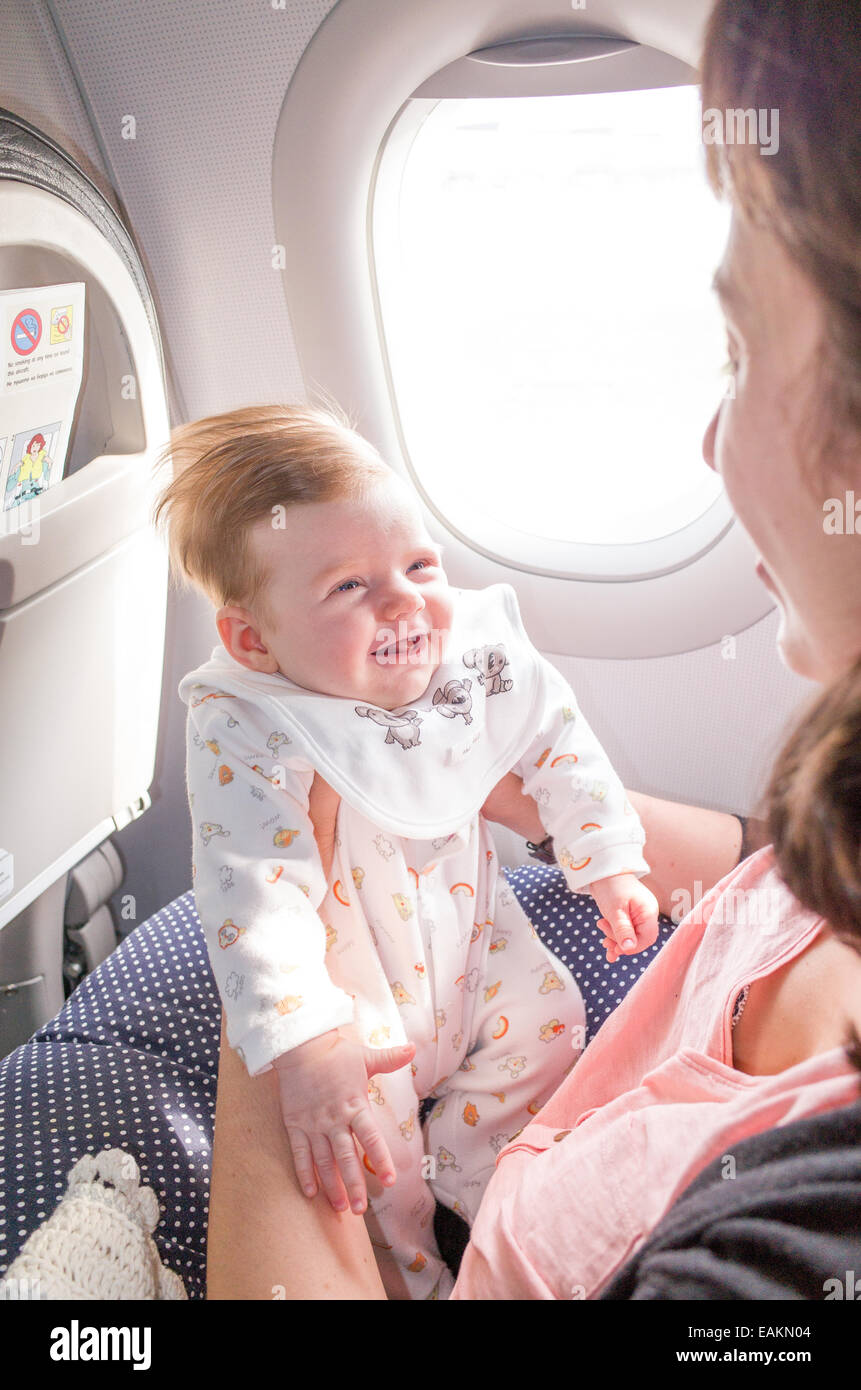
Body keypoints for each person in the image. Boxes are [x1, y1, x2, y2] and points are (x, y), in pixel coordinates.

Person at [205, 0, 861, 1299]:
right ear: (250, 636)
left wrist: (277, 991)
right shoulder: (829, 828)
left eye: (739, 353)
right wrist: (530, 808)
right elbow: (755, 862)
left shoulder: (777, 1264)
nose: (708, 444)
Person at [154, 409, 660, 1298]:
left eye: (419, 565)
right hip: (355, 993)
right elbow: (251, 892)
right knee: (362, 1150)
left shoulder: (466, 656)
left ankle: (484, 1185)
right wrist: (304, 1039)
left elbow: (556, 741)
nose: (403, 603)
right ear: (253, 639)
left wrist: (607, 858)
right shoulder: (247, 722)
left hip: (477, 948)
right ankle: (418, 1273)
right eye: (348, 586)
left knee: (549, 1020)